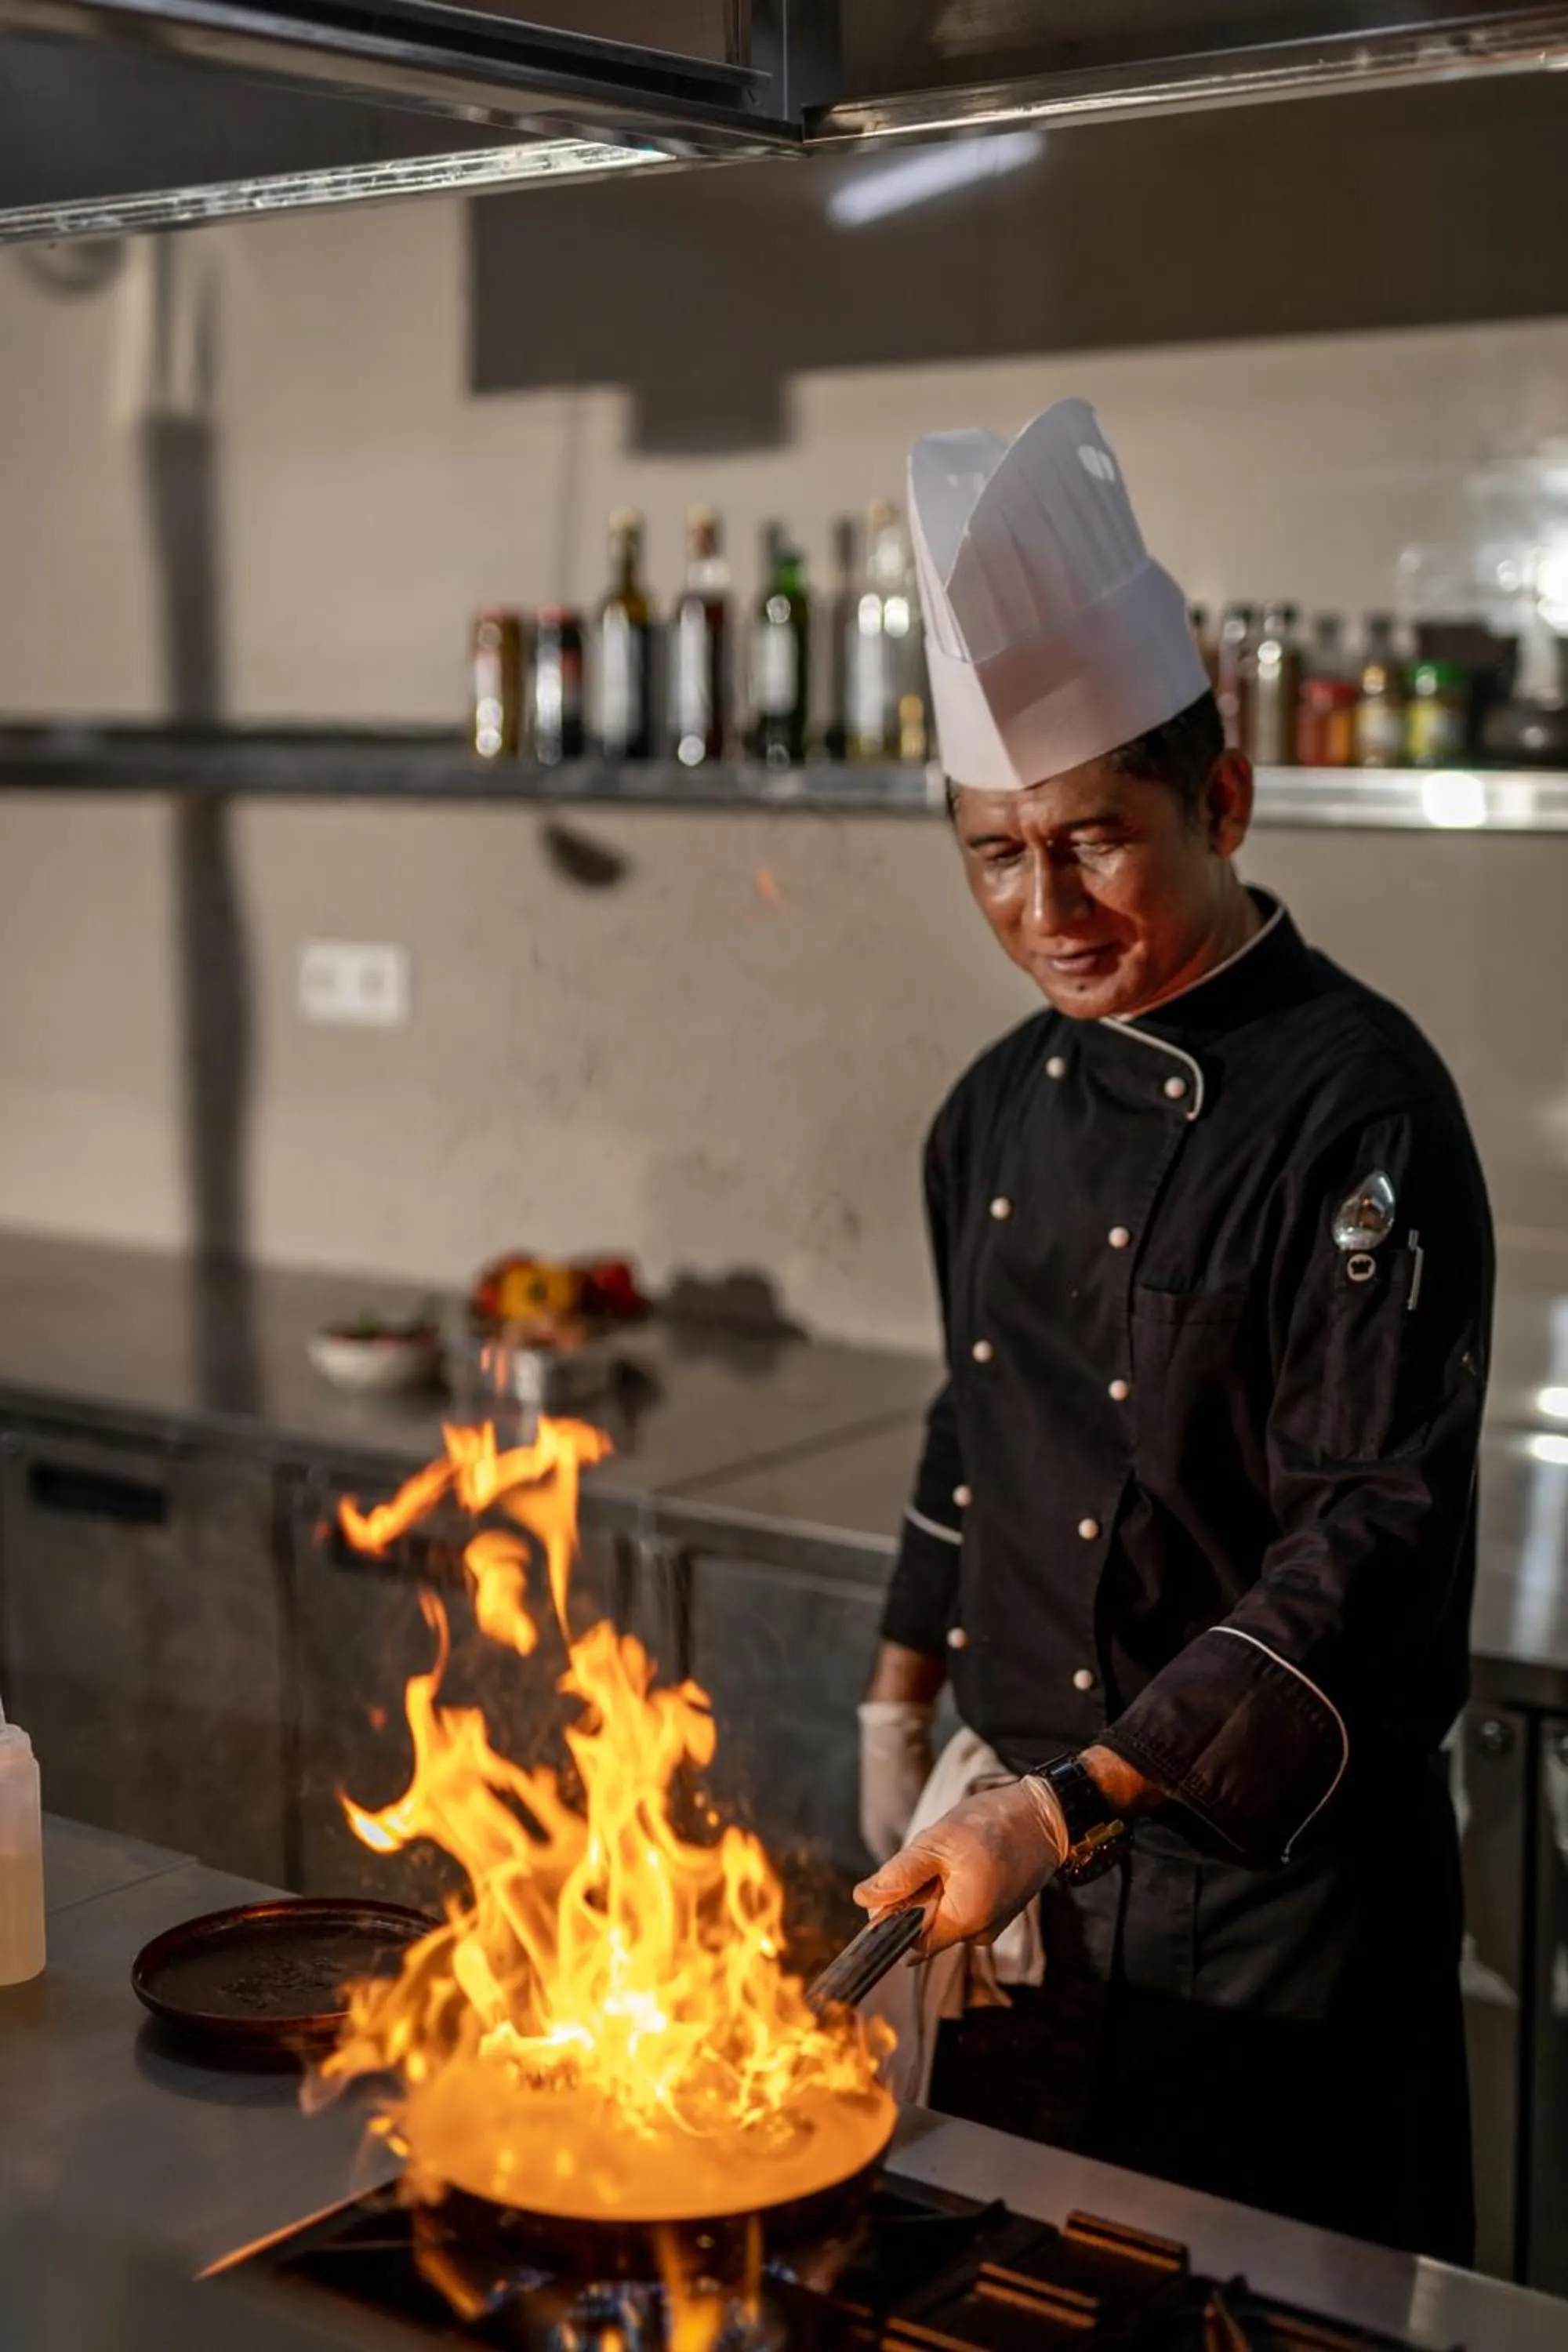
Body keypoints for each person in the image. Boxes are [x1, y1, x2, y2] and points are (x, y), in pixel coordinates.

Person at [854, 400, 1492, 2263]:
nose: (1045, 911)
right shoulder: (990, 1111)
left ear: (1221, 802)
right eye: (992, 857)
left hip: (1262, 1903)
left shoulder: (1357, 1105)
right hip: (1018, 1881)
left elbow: (1366, 1534)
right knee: (1026, 2298)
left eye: (1093, 844)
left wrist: (1068, 1811)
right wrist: (900, 1715)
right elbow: (973, 1426)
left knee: (1247, 2310)